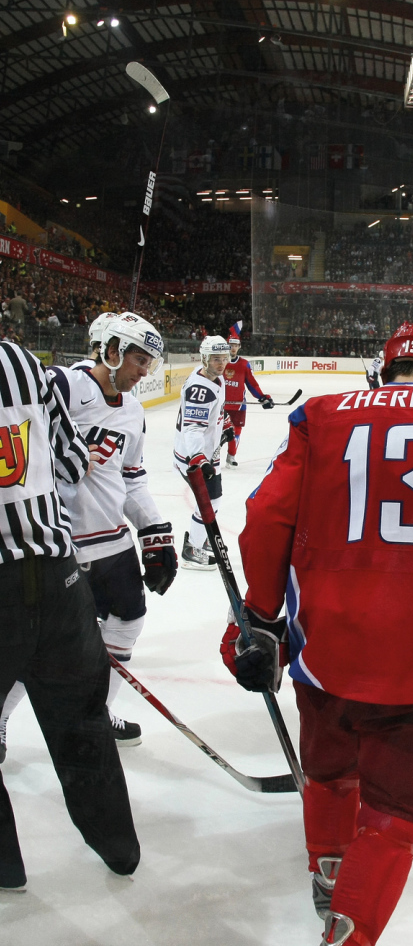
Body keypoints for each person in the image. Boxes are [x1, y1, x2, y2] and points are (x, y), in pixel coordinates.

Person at [222, 322, 413, 946]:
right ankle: (351, 931)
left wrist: (259, 616)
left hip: (324, 648)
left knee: (331, 772)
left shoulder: (319, 413)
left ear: (380, 369)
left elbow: (264, 518)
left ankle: (328, 867)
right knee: (396, 816)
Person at [0, 313, 178, 756]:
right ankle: (1, 719)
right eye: (139, 359)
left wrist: (154, 531)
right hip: (60, 542)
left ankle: (97, 711)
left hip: (114, 541)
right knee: (38, 640)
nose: (144, 372)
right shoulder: (59, 385)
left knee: (130, 618)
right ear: (111, 350)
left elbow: (133, 477)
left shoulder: (133, 411)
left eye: (150, 364)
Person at [0, 340, 140, 890]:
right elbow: (72, 462)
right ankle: (120, 849)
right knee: (83, 719)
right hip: (59, 578)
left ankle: (5, 868)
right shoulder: (22, 361)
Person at [174, 335, 235, 569]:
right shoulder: (202, 388)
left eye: (224, 358)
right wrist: (199, 458)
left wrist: (225, 421)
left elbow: (213, 411)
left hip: (207, 454)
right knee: (209, 501)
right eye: (216, 359)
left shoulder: (212, 380)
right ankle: (192, 549)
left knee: (213, 499)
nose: (221, 363)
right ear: (204, 358)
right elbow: (192, 428)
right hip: (195, 457)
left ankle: (199, 540)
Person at [223, 322, 274, 468]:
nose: (233, 348)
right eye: (231, 345)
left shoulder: (244, 364)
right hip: (220, 405)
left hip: (238, 406)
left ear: (239, 347)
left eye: (235, 345)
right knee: (216, 433)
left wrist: (262, 397)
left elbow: (252, 384)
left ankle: (231, 456)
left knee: (235, 433)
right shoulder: (220, 362)